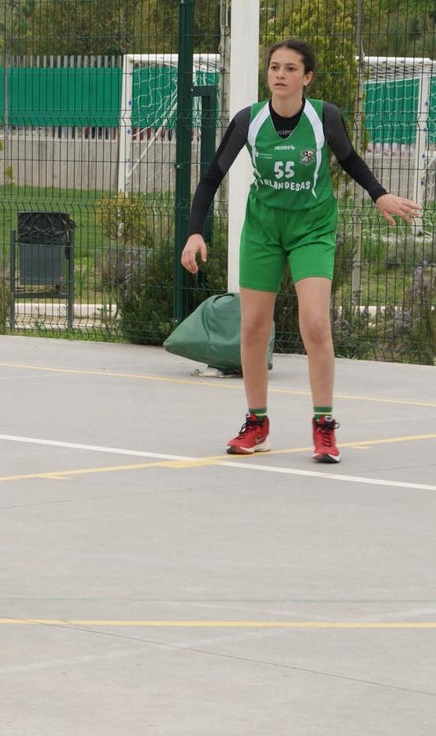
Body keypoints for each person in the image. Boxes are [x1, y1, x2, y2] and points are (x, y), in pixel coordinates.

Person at [180, 38, 421, 464]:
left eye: (291, 68)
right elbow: (210, 178)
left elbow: (350, 160)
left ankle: (324, 426)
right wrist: (195, 232)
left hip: (312, 228)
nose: (280, 74)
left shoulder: (324, 117)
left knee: (314, 323)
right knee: (253, 327)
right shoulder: (248, 121)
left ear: (306, 78)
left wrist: (379, 194)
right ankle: (257, 423)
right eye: (274, 66)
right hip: (263, 230)